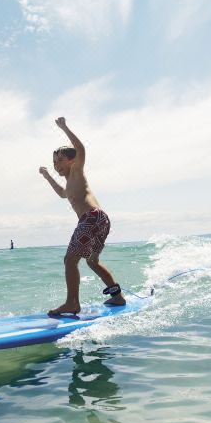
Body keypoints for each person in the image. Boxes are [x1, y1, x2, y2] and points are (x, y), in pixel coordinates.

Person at [39, 117, 125, 316]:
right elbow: (62, 193)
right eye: (54, 162)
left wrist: (64, 127)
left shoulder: (77, 171)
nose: (56, 165)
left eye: (60, 160)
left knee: (70, 260)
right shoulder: (69, 184)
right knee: (92, 261)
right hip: (100, 220)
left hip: (91, 218)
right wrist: (47, 176)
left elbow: (80, 148)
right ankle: (117, 296)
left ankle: (72, 303)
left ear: (72, 160)